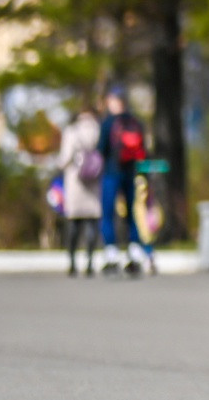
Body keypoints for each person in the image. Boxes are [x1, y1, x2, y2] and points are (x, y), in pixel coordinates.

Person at [96, 88, 155, 277]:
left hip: (112, 173)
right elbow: (143, 152)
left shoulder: (108, 123)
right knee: (131, 213)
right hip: (131, 173)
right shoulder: (135, 121)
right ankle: (134, 247)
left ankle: (111, 250)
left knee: (107, 212)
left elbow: (100, 150)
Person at [57, 107, 103, 277]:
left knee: (74, 222)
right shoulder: (99, 130)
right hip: (94, 181)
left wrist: (59, 167)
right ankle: (90, 262)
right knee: (91, 222)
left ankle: (72, 262)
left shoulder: (72, 132)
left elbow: (65, 157)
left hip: (75, 181)